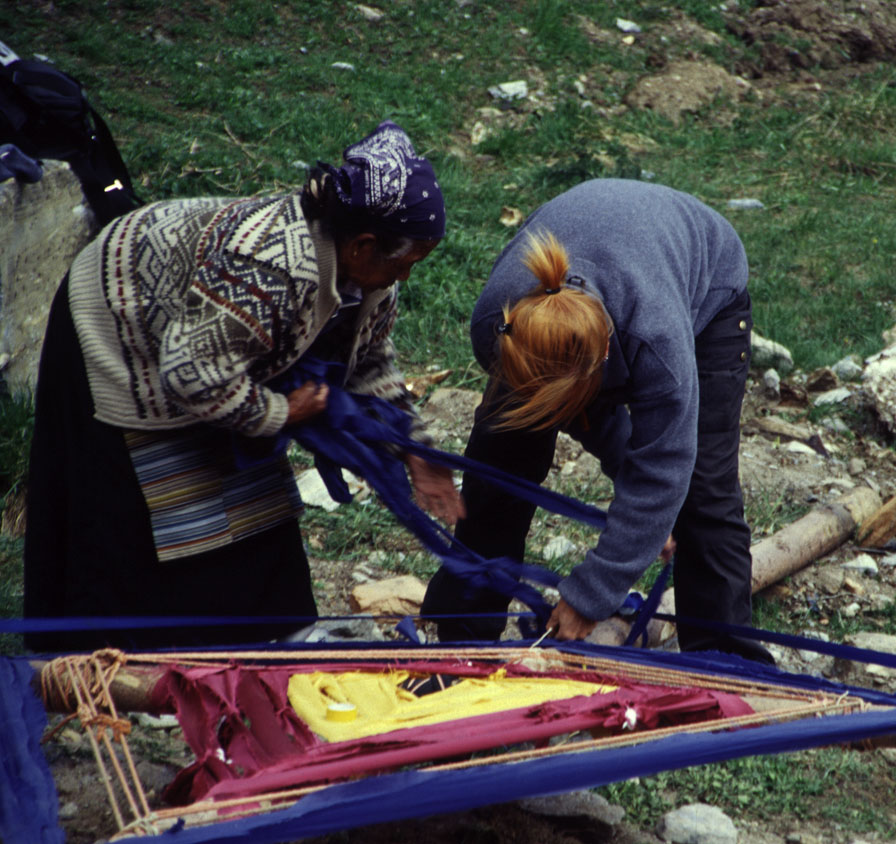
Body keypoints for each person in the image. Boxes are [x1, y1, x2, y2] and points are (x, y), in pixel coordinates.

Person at [23, 120, 463, 652]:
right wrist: (279, 413)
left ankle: (258, 634)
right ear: (363, 246)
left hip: (209, 341)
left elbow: (367, 362)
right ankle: (121, 651)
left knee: (252, 493)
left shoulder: (372, 278)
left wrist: (414, 448)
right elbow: (190, 373)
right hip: (121, 313)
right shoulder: (270, 268)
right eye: (407, 262)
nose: (408, 277)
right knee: (140, 491)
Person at [423, 178, 772, 664]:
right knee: (499, 465)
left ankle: (724, 663)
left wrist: (593, 593)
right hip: (599, 270)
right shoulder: (498, 326)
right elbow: (584, 416)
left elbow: (665, 463)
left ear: (605, 359)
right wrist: (644, 516)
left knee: (700, 491)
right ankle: (461, 641)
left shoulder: (657, 343)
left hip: (706, 280)